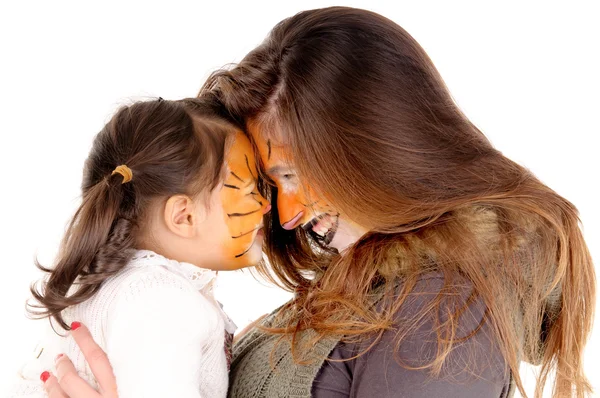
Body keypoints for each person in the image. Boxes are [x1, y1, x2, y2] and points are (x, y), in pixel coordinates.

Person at [38, 6, 596, 398]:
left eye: (290, 173)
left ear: (375, 145)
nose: (284, 215)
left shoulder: (441, 316)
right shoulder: (371, 285)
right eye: (268, 182)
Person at [8, 97, 270, 398]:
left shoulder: (117, 284)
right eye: (250, 191)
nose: (265, 206)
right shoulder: (161, 300)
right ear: (183, 216)